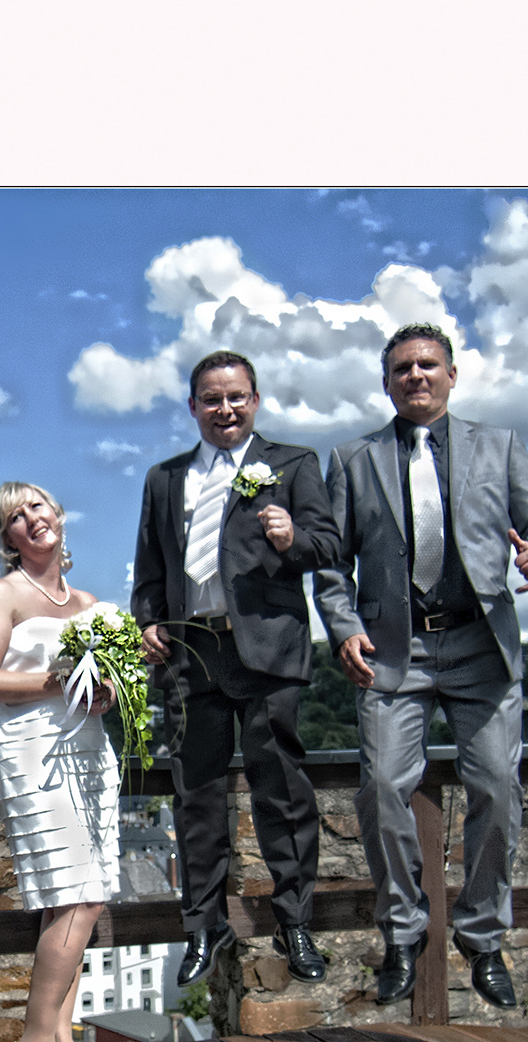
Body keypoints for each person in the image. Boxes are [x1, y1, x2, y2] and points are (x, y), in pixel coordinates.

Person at [314, 323, 528, 1008]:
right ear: (386, 382)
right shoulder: (352, 459)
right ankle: (402, 932)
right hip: (392, 652)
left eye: (428, 365)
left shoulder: (500, 445)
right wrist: (343, 628)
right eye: (402, 368)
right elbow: (330, 565)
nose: (416, 376)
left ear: (451, 375)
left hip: (480, 645)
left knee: (497, 786)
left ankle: (482, 936)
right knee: (380, 789)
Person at [131, 350, 338, 993]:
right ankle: (203, 925)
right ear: (193, 406)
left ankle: (294, 920)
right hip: (191, 654)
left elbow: (329, 546)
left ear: (255, 400)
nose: (225, 409)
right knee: (196, 795)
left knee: (282, 791)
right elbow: (150, 567)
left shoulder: (293, 464)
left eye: (236, 397)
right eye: (212, 399)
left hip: (268, 649)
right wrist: (147, 622)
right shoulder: (165, 478)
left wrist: (292, 538)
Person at [0, 483, 121, 1042]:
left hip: (90, 751)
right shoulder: (2, 594)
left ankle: (61, 1038)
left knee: (78, 896)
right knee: (79, 893)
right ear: (6, 538)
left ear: (59, 515)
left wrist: (105, 693)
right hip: (33, 750)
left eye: (38, 507)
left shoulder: (88, 602)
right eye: (15, 516)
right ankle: (32, 1041)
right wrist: (59, 681)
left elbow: (101, 687)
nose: (31, 519)